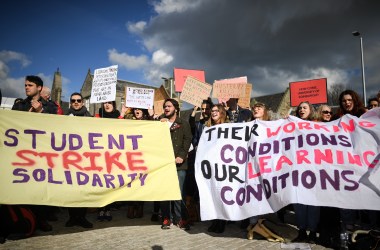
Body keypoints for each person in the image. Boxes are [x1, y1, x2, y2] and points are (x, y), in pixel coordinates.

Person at [11, 75, 57, 232]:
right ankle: (23, 218)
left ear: (39, 88)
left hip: (41, 154)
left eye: (30, 85)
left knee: (41, 188)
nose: (26, 87)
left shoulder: (50, 107)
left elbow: (57, 126)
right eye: (25, 85)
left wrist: (41, 111)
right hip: (21, 155)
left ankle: (40, 219)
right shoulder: (19, 105)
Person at [160, 99, 192, 230]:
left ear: (176, 108)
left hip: (179, 164)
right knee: (164, 192)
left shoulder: (183, 123)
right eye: (165, 106)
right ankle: (166, 218)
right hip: (163, 164)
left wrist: (182, 156)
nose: (166, 108)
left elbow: (187, 139)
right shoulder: (160, 123)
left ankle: (180, 218)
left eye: (169, 106)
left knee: (179, 192)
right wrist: (159, 124)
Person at [64, 92, 93, 228]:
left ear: (82, 102)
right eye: (73, 100)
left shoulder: (89, 117)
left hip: (85, 160)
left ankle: (82, 217)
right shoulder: (64, 118)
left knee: (84, 190)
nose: (76, 102)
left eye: (78, 100)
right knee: (70, 189)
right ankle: (72, 217)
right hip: (69, 159)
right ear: (70, 102)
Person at [292, 101, 320, 244]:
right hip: (297, 170)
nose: (302, 110)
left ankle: (313, 232)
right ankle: (302, 231)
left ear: (311, 110)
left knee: (313, 203)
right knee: (299, 202)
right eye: (300, 108)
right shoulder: (291, 126)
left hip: (314, 170)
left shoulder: (318, 125)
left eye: (305, 108)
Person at [94, 101, 125, 222]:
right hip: (100, 155)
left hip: (113, 156)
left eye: (109, 103)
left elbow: (121, 129)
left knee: (110, 183)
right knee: (101, 183)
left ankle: (108, 209)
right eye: (105, 103)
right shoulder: (97, 116)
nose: (107, 105)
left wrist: (122, 114)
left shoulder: (118, 116)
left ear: (113, 105)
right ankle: (101, 209)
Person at [206, 104, 230, 234]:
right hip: (211, 166)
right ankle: (215, 219)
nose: (213, 112)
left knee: (222, 194)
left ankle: (222, 220)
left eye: (216, 110)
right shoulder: (207, 128)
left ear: (222, 112)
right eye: (212, 111)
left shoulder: (228, 127)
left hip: (224, 166)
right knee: (213, 194)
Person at [124, 107, 152, 219]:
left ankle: (140, 206)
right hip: (130, 157)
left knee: (141, 182)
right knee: (131, 182)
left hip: (143, 157)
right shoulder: (128, 121)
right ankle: (131, 206)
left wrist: (151, 116)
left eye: (139, 109)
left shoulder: (149, 122)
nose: (137, 111)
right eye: (135, 109)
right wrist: (122, 114)